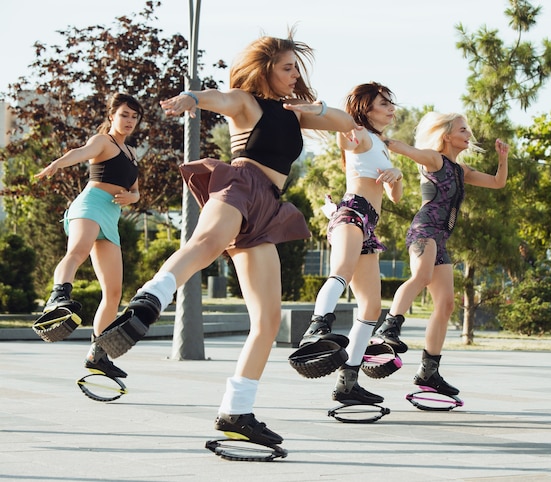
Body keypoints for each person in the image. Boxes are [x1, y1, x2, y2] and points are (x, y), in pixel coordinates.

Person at [97, 30, 355, 447]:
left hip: (268, 207)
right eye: (287, 67)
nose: (294, 74)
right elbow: (216, 97)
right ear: (266, 69)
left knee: (268, 320)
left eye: (296, 68)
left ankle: (236, 411)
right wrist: (191, 99)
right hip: (240, 184)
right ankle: (148, 301)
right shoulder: (246, 102)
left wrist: (315, 107)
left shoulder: (294, 113)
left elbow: (346, 123)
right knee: (206, 244)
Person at [374, 112, 509, 396]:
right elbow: (403, 148)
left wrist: (503, 156)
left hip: (441, 240)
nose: (469, 134)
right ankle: (388, 328)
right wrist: (376, 138)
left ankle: (429, 371)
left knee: (446, 305)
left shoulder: (462, 171)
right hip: (424, 231)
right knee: (421, 276)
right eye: (463, 130)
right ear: (447, 135)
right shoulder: (435, 159)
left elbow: (498, 182)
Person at [298, 82, 403, 405]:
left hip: (369, 224)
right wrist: (327, 112)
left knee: (371, 306)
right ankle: (317, 328)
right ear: (365, 109)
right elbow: (346, 134)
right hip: (352, 214)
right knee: (341, 271)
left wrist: (397, 175)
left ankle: (349, 380)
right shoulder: (360, 136)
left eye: (390, 103)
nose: (391, 109)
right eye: (383, 104)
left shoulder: (381, 145)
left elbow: (395, 198)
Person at [34, 93, 144, 379]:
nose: (129, 120)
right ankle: (58, 298)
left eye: (134, 116)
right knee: (78, 252)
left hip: (111, 216)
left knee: (114, 291)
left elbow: (135, 190)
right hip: (91, 204)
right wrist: (58, 164)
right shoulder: (103, 142)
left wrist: (131, 197)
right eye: (124, 115)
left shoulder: (131, 152)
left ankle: (98, 353)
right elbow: (80, 153)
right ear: (112, 116)